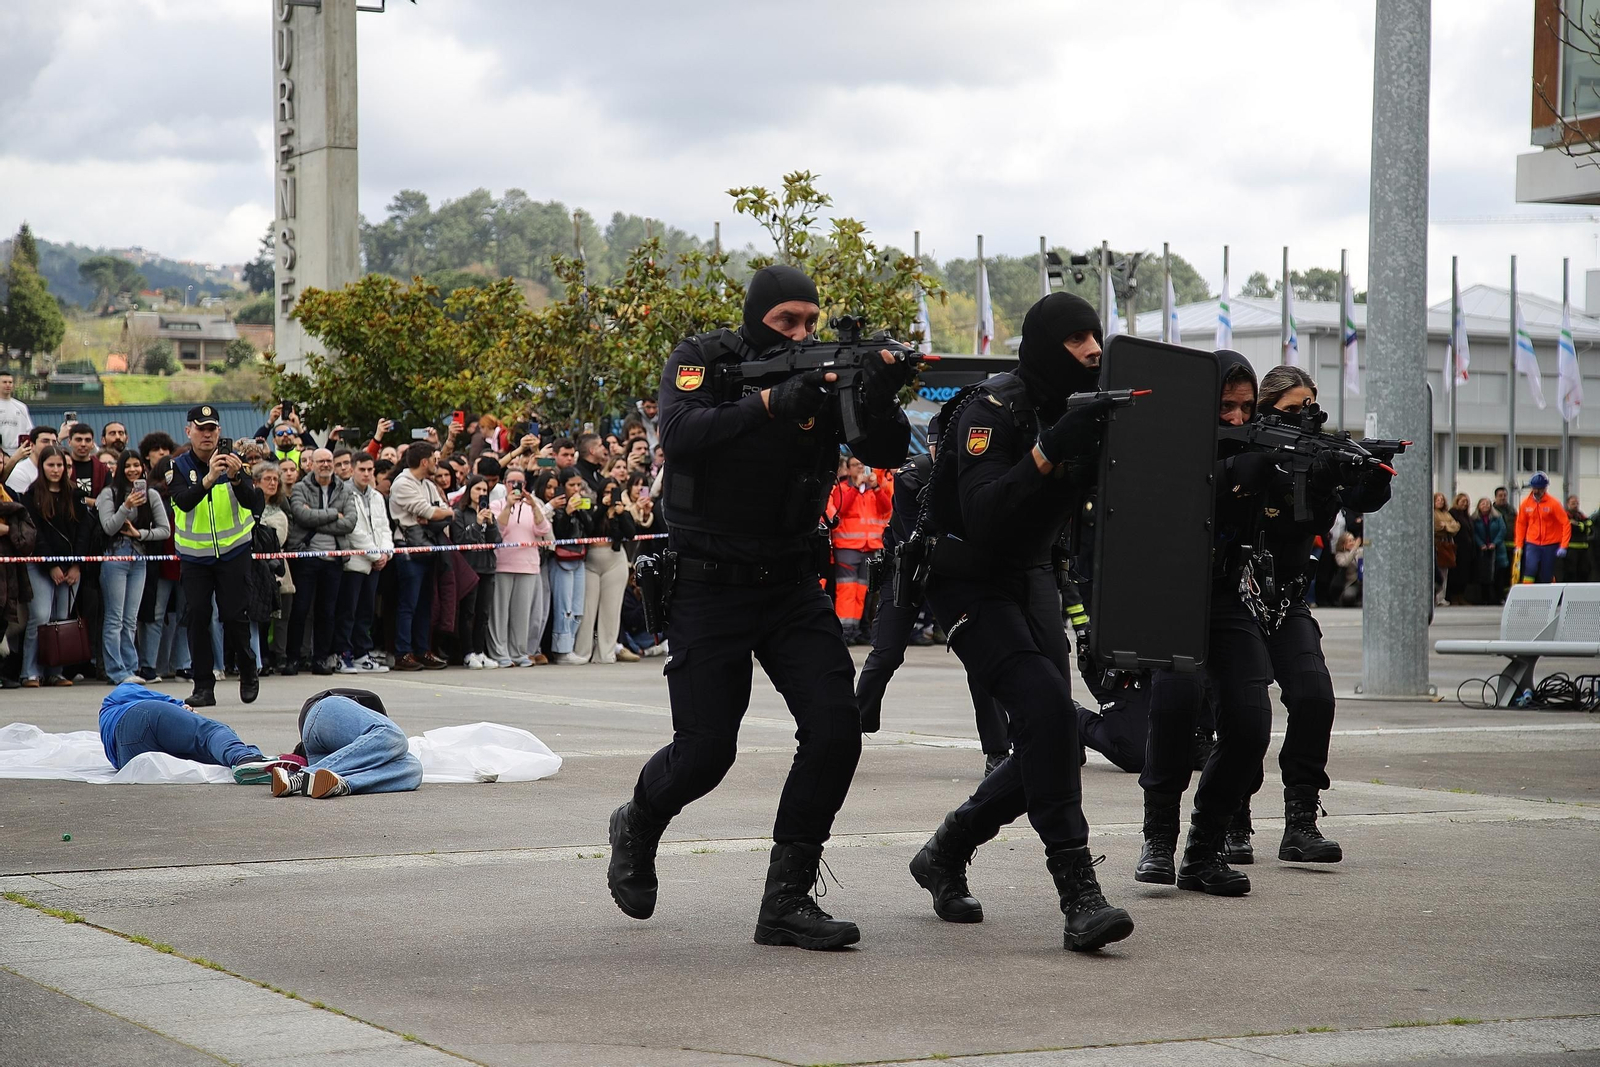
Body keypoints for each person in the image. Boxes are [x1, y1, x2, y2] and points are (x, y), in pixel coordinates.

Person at [606, 263, 912, 951]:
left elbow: (884, 448)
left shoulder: (827, 375)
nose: (801, 333)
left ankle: (787, 899)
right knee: (706, 752)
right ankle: (640, 819)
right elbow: (681, 434)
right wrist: (774, 402)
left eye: (810, 322)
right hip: (709, 585)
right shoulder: (702, 359)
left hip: (789, 584)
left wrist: (880, 390)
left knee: (837, 728)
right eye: (787, 323)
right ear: (756, 320)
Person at [901, 292, 1130, 953]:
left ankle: (946, 849)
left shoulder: (1085, 409)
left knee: (1050, 730)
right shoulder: (992, 410)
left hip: (1030, 577)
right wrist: (1048, 451)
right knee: (1047, 717)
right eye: (1077, 338)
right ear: (1044, 347)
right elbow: (984, 512)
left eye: (1097, 335)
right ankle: (1078, 893)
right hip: (964, 577)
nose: (1092, 348)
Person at [1221, 365, 1391, 867]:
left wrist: (1368, 479)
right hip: (1236, 597)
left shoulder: (1316, 457)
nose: (1303, 420)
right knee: (1242, 714)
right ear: (1266, 410)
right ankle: (1233, 818)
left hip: (1287, 596)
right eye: (1292, 411)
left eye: (1310, 410)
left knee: (1314, 696)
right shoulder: (1242, 448)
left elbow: (1353, 499)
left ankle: (1300, 822)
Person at [855, 415, 1010, 773]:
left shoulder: (978, 476)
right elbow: (918, 537)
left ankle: (998, 750)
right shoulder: (912, 476)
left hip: (955, 574)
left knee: (979, 662)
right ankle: (846, 732)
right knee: (885, 655)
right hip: (909, 570)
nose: (944, 452)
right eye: (939, 445)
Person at [168, 404, 264, 707]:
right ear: (188, 431)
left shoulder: (236, 464)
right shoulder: (178, 467)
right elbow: (183, 502)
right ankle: (203, 685)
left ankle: (247, 670)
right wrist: (208, 478)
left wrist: (236, 478)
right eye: (200, 429)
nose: (207, 435)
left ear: (219, 432)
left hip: (234, 551)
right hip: (195, 556)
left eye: (212, 429)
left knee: (235, 616)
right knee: (197, 616)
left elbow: (255, 503)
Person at [99, 682, 293, 782]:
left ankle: (250, 760)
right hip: (143, 716)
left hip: (127, 754)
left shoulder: (106, 729)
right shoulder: (116, 698)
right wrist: (178, 704)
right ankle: (245, 757)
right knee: (210, 732)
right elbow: (123, 691)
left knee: (201, 753)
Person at [96, 450, 170, 684]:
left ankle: (129, 668)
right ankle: (116, 671)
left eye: (136, 465)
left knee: (130, 619)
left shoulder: (152, 495)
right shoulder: (109, 493)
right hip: (115, 557)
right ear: (119, 468)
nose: (132, 470)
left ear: (143, 468)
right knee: (114, 618)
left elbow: (165, 530)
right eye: (127, 466)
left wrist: (141, 534)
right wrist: (126, 505)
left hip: (139, 558)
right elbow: (108, 527)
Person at [20, 445, 91, 687]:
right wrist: (50, 565)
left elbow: (84, 532)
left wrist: (76, 565)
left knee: (62, 619)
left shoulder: (76, 495)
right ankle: (30, 671)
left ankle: (56, 671)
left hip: (71, 568)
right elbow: (36, 534)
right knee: (40, 616)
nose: (56, 469)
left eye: (60, 465)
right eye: (51, 465)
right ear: (42, 467)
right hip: (41, 566)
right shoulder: (31, 496)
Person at [269, 688, 423, 799]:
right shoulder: (377, 723)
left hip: (322, 755)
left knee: (413, 769)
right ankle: (302, 776)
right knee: (393, 737)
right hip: (324, 711)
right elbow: (374, 703)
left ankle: (340, 785)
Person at [284, 448, 356, 675]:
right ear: (311, 464)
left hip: (333, 559)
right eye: (320, 461)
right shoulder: (300, 488)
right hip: (306, 557)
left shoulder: (344, 489)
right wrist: (335, 513)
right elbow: (301, 516)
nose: (325, 464)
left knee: (327, 612)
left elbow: (351, 523)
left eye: (328, 460)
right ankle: (293, 658)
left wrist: (316, 517)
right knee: (301, 609)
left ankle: (321, 659)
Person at [388, 442, 452, 671]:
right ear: (424, 462)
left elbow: (445, 511)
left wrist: (437, 513)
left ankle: (422, 649)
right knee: (408, 604)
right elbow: (431, 511)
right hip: (409, 550)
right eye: (434, 459)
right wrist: (435, 513)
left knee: (426, 603)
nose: (437, 463)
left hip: (428, 547)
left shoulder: (428, 484)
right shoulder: (403, 484)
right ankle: (403, 652)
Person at [337, 453, 394, 674]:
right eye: (362, 469)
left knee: (366, 611)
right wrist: (374, 554)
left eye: (370, 469)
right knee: (347, 611)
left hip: (375, 563)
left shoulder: (377, 496)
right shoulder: (344, 493)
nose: (367, 473)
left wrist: (385, 554)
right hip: (354, 562)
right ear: (352, 469)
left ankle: (362, 653)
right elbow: (354, 530)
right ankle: (344, 654)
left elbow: (384, 527)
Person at [827, 454, 893, 644]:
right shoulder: (843, 488)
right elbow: (841, 509)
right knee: (847, 591)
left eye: (861, 465)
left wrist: (878, 488)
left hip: (869, 547)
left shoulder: (872, 491)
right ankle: (844, 630)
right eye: (855, 465)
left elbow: (886, 508)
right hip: (847, 547)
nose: (858, 468)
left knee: (861, 592)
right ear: (848, 469)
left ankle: (853, 630)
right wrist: (856, 488)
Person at [573, 475, 635, 664]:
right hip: (592, 561)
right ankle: (582, 652)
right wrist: (603, 509)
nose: (610, 495)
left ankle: (606, 653)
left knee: (611, 610)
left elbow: (631, 533)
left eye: (613, 492)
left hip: (615, 561)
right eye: (607, 492)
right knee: (587, 609)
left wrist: (621, 513)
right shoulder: (592, 508)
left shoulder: (623, 511)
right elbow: (590, 528)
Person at [453, 474, 504, 668]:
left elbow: (496, 541)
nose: (481, 493)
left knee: (483, 613)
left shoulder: (489, 513)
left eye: (485, 490)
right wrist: (476, 523)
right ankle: (467, 652)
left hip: (487, 567)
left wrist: (490, 523)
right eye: (478, 489)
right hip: (469, 567)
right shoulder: (459, 513)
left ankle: (480, 650)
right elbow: (460, 541)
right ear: (469, 491)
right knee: (468, 613)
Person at [548, 468, 593, 662]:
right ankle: (560, 649)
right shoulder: (557, 506)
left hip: (579, 556)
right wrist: (566, 513)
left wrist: (581, 510)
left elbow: (591, 529)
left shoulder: (582, 503)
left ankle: (570, 645)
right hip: (561, 558)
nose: (575, 489)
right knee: (563, 605)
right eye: (571, 485)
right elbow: (559, 533)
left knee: (577, 605)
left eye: (578, 485)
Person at [253, 463, 294, 674]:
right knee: (258, 616)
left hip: (276, 567)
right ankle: (260, 657)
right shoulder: (249, 507)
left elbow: (277, 539)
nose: (272, 483)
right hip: (253, 568)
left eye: (275, 480)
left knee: (281, 614)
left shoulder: (280, 510)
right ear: (256, 482)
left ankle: (279, 655)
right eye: (267, 479)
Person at [1515, 472, 1569, 585]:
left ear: (1545, 488)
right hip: (1532, 543)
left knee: (1547, 573)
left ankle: (1551, 596)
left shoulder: (1553, 504)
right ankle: (1527, 595)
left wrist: (1564, 545)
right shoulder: (1526, 504)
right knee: (1530, 569)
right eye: (1535, 488)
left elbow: (1565, 523)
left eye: (1539, 488)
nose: (1536, 491)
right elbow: (1521, 524)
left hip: (1551, 543)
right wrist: (1519, 545)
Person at [1470, 497, 1509, 606]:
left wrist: (1495, 543)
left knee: (1498, 575)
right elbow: (1474, 533)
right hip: (1482, 551)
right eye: (1483, 504)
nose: (1485, 506)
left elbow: (1502, 530)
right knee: (1484, 576)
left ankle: (1498, 598)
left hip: (1497, 550)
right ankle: (1484, 598)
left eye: (1487, 504)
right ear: (1478, 506)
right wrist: (1480, 544)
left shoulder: (1498, 517)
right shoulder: (1475, 519)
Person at [4, 426, 56, 494]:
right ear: (32, 445)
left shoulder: (57, 470)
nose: (51, 445)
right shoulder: (19, 472)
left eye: (54, 442)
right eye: (45, 441)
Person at [1433, 492, 1460, 605]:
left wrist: (1446, 526)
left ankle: (1441, 597)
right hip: (1437, 545)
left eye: (1442, 500)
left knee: (1445, 572)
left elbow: (1456, 526)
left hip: (1447, 545)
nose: (1440, 502)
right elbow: (1437, 527)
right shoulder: (1433, 513)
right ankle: (1436, 597)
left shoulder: (1446, 514)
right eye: (1438, 500)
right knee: (1437, 571)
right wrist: (1447, 526)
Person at [1448, 492, 1475, 604]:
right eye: (1462, 501)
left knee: (1464, 574)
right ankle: (1454, 597)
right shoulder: (1453, 513)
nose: (1465, 504)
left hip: (1467, 550)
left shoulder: (1467, 516)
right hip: (1458, 548)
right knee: (1456, 574)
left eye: (1466, 502)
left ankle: (1461, 596)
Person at [1492, 486, 1517, 597]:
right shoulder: (1492, 511)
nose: (1503, 498)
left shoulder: (1512, 510)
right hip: (1498, 546)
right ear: (1495, 497)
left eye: (1504, 495)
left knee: (1510, 572)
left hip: (1512, 545)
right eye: (1500, 496)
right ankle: (1497, 594)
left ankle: (1508, 594)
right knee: (1498, 572)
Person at [1562, 495, 1591, 583]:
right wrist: (1582, 526)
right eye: (1573, 503)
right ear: (1568, 504)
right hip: (1571, 549)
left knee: (1584, 572)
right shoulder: (1565, 515)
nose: (1576, 505)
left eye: (1577, 503)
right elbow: (1572, 528)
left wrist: (1580, 525)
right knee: (1570, 573)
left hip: (1583, 549)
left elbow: (1589, 526)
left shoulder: (1581, 515)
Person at [0, 370, 30, 453]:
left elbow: (29, 430)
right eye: (4, 382)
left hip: (18, 452)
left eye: (10, 382)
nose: (8, 385)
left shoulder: (21, 407)